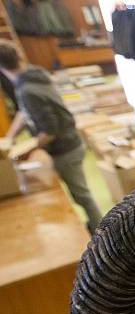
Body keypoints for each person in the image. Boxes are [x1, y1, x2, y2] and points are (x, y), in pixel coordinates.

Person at [0, 39, 102, 232]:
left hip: (65, 149)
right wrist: (11, 137)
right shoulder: (34, 75)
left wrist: (27, 148)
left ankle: (101, 233)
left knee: (82, 195)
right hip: (70, 142)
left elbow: (50, 130)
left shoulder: (27, 89)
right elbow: (25, 112)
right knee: (80, 193)